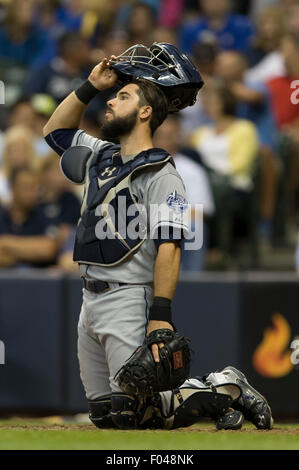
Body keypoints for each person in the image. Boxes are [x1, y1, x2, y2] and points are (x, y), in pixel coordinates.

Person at [43, 48, 272, 431]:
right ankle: (219, 395)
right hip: (90, 297)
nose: (111, 101)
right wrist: (89, 87)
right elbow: (55, 132)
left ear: (145, 112)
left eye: (123, 96)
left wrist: (160, 317)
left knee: (136, 416)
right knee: (105, 416)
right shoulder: (102, 154)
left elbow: (170, 245)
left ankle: (226, 386)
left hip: (130, 294)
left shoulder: (162, 172)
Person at [0, 167, 59, 268]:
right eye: (26, 187)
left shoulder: (44, 214)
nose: (31, 193)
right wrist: (30, 252)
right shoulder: (2, 216)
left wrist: (5, 244)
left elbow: (49, 249)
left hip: (38, 280)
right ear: (13, 188)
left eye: (34, 188)